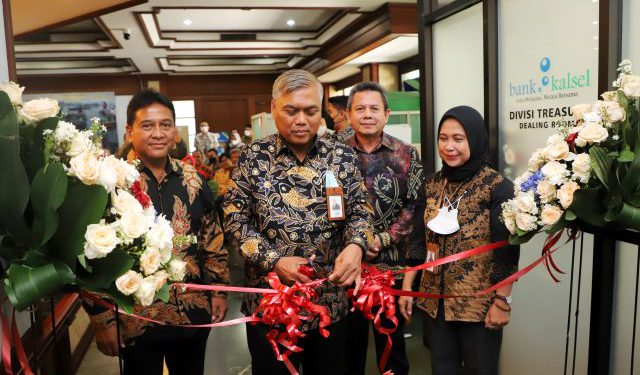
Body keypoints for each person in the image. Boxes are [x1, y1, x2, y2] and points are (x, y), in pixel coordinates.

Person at [222, 69, 374, 375]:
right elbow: (234, 218)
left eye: (311, 111)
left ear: (322, 112)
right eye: (291, 111)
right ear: (274, 108)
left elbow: (360, 209)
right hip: (271, 305)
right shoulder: (253, 156)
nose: (301, 120)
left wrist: (357, 246)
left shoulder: (342, 156)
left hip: (330, 303)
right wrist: (274, 259)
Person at [84, 90, 230, 375]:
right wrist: (102, 319)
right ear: (129, 131)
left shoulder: (193, 178)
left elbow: (213, 239)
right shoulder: (111, 182)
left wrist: (220, 291)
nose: (158, 133)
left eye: (165, 125)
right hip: (135, 319)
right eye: (147, 126)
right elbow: (90, 254)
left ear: (174, 130)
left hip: (192, 314)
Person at [399, 106, 520, 375]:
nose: (449, 146)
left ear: (475, 140)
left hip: (479, 305)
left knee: (480, 370)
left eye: (458, 139)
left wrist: (502, 302)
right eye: (443, 138)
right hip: (435, 302)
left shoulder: (497, 187)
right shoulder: (431, 185)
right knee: (441, 369)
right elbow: (418, 241)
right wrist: (409, 287)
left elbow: (507, 252)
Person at [345, 82, 423, 375]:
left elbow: (415, 204)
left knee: (392, 348)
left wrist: (383, 238)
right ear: (349, 114)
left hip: (390, 265)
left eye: (374, 108)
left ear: (387, 114)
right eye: (360, 109)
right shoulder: (332, 152)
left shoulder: (405, 153)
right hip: (345, 267)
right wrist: (358, 242)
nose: (367, 115)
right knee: (346, 348)